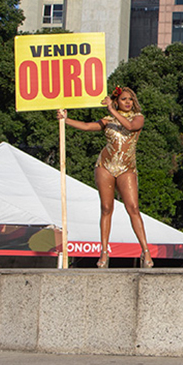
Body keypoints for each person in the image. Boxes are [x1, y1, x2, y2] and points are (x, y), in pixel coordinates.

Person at [57, 86, 153, 268]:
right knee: (106, 208)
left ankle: (146, 251)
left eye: (130, 99)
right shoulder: (108, 120)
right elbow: (87, 126)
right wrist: (65, 119)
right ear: (117, 101)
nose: (127, 102)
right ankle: (104, 252)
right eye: (124, 99)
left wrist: (111, 110)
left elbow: (130, 127)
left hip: (126, 167)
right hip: (105, 166)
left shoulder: (138, 118)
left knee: (133, 207)